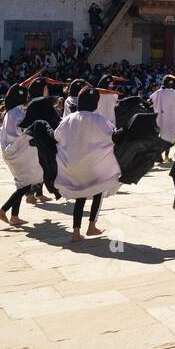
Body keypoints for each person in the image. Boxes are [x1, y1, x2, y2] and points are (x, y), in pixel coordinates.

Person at [54, 87, 121, 243]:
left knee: (80, 196)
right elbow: (113, 135)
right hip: (93, 165)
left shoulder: (69, 119)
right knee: (98, 191)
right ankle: (92, 226)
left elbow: (57, 135)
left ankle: (76, 232)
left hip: (72, 165)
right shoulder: (99, 119)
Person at [0, 84, 43, 227]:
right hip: (19, 153)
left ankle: (14, 217)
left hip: (16, 152)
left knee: (22, 183)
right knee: (25, 184)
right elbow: (21, 130)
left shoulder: (12, 112)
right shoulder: (18, 112)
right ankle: (3, 210)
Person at [149, 74, 175, 161]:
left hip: (171, 117)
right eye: (169, 82)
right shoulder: (158, 93)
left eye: (172, 82)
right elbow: (150, 101)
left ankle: (166, 156)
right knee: (164, 136)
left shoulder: (173, 92)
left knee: (170, 136)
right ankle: (159, 156)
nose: (171, 84)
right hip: (161, 119)